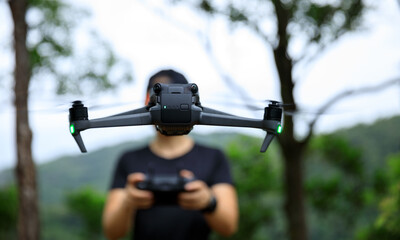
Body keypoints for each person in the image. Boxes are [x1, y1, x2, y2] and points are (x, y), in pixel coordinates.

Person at [102, 69, 239, 240]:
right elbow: (112, 232)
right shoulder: (129, 159)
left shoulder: (213, 157)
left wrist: (208, 202)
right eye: (154, 97)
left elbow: (229, 226)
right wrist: (127, 203)